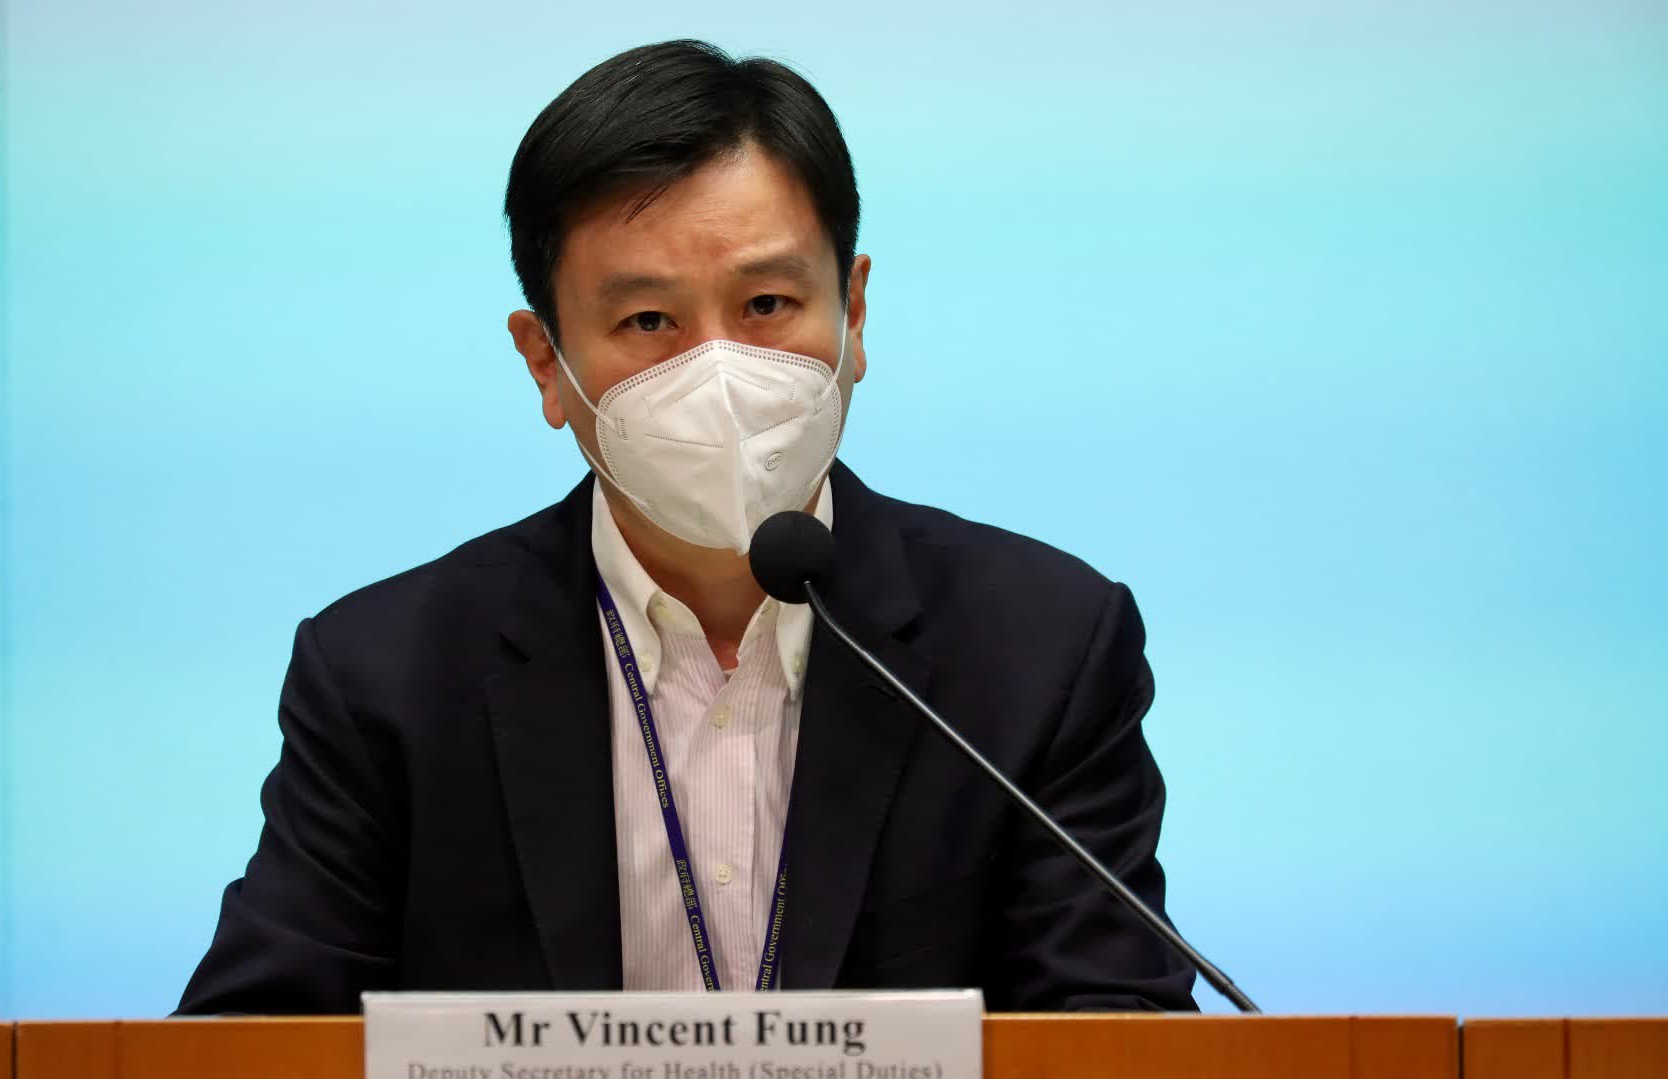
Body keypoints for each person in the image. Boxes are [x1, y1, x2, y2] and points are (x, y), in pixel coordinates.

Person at [178, 39, 1195, 1014]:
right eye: (649, 322)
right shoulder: (387, 680)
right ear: (545, 362)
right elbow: (257, 1035)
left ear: (854, 312)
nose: (720, 370)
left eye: (767, 303)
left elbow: (1114, 1023)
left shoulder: (1041, 651)